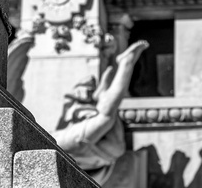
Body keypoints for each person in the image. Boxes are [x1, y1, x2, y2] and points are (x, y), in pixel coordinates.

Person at [53, 40, 149, 185]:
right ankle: (105, 94)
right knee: (116, 148)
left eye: (89, 89)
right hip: (82, 158)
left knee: (105, 118)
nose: (86, 91)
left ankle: (126, 63)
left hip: (60, 143)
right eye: (86, 88)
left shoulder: (72, 102)